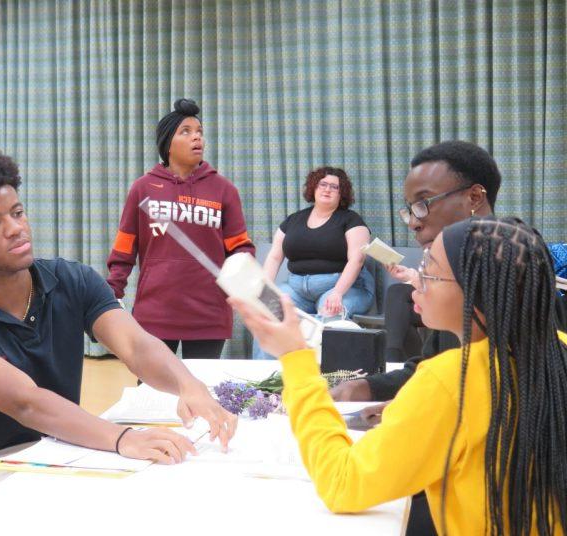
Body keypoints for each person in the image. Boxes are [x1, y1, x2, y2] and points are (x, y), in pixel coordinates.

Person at [0, 148, 237, 525]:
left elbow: (134, 345)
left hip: (59, 447)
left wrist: (188, 384)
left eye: (17, 213)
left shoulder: (73, 281)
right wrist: (122, 439)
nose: (16, 228)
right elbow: (27, 403)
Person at [232, 216, 567, 534]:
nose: (416, 282)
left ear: (477, 295)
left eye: (430, 272)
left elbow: (342, 482)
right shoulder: (556, 350)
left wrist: (295, 358)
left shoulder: (450, 380)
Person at [331, 140, 500, 403]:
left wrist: (416, 413)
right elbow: (431, 367)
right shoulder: (457, 276)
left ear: (474, 198)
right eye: (409, 210)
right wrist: (364, 387)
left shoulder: (508, 277)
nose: (413, 223)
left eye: (423, 203)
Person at [106, 98, 254, 359]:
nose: (196, 138)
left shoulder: (224, 190)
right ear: (168, 144)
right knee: (153, 393)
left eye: (199, 132)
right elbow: (124, 248)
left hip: (208, 314)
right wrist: (112, 292)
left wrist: (246, 288)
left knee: (201, 393)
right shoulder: (143, 188)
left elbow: (240, 249)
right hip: (155, 312)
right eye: (186, 131)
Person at [252, 166, 374, 360]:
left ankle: (322, 383)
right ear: (313, 188)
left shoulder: (351, 220)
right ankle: (263, 379)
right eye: (322, 184)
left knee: (329, 319)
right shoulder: (294, 220)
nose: (327, 190)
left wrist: (338, 293)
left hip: (341, 286)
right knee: (270, 313)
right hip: (297, 287)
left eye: (334, 187)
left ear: (342, 193)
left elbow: (357, 259)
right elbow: (275, 257)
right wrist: (264, 288)